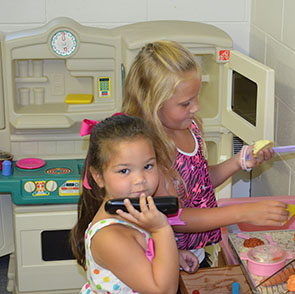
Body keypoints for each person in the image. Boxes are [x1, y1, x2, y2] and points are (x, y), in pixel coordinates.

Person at [122, 41, 290, 267]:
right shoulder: (151, 150)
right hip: (164, 259)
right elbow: (176, 217)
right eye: (185, 103)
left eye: (197, 97)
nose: (196, 108)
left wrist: (238, 161)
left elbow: (197, 182)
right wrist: (243, 212)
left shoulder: (190, 127)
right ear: (152, 104)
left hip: (195, 250)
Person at [70, 114, 199, 294]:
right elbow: (164, 290)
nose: (140, 180)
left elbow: (139, 256)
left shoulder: (133, 211)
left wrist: (169, 257)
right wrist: (161, 230)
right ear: (98, 176)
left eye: (148, 166)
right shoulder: (110, 237)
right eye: (124, 170)